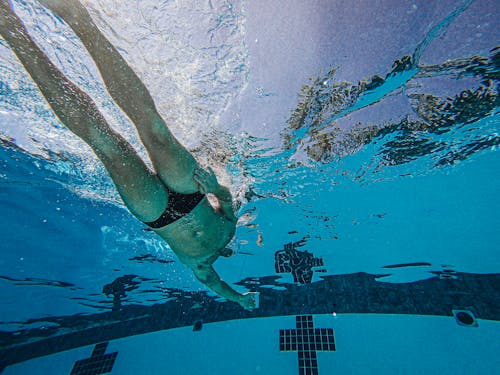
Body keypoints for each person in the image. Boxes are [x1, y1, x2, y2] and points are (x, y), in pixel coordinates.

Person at [0, 0, 256, 310]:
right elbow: (227, 200)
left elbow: (218, 286)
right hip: (191, 192)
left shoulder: (201, 267)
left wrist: (240, 299)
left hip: (156, 214)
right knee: (155, 129)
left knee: (103, 142)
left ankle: (12, 31)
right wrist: (214, 187)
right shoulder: (228, 230)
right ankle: (79, 18)